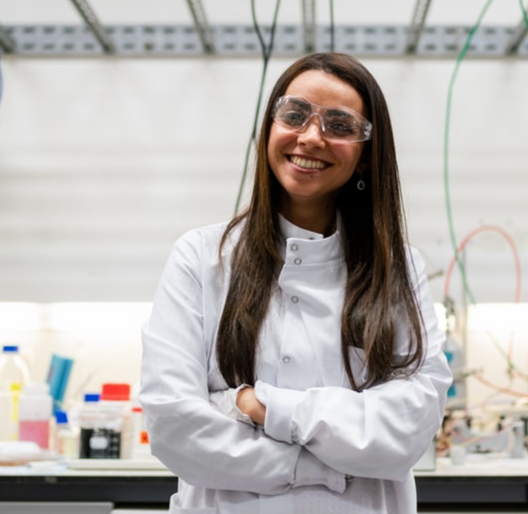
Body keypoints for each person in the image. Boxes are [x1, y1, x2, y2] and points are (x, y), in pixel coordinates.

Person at [140, 52, 452, 514]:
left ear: (366, 156)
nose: (311, 137)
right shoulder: (202, 258)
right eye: (295, 115)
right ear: (269, 128)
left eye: (340, 126)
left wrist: (256, 405)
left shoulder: (399, 269)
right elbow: (175, 428)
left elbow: (407, 433)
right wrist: (332, 463)